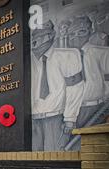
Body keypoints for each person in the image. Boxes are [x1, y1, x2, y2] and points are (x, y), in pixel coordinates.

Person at [31, 20, 84, 151]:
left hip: (56, 118)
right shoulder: (31, 60)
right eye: (35, 37)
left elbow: (75, 88)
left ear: (50, 36)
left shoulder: (67, 56)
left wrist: (70, 117)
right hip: (34, 119)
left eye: (40, 36)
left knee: (54, 155)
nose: (36, 41)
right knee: (35, 158)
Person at [67, 16, 109, 147]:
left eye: (81, 31)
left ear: (90, 30)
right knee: (75, 145)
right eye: (73, 34)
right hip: (76, 110)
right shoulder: (68, 58)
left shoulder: (102, 53)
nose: (77, 36)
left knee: (95, 144)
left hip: (97, 108)